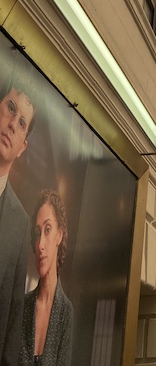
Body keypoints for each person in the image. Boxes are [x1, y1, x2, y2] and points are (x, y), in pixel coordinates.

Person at [0, 73, 37, 365]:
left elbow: (12, 325)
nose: (13, 123)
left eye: (22, 122)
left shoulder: (21, 223)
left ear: (23, 146)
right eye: (11, 107)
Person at [19, 189, 73, 366]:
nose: (40, 244)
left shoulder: (65, 312)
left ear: (59, 235)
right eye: (37, 233)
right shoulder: (22, 307)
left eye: (48, 229)